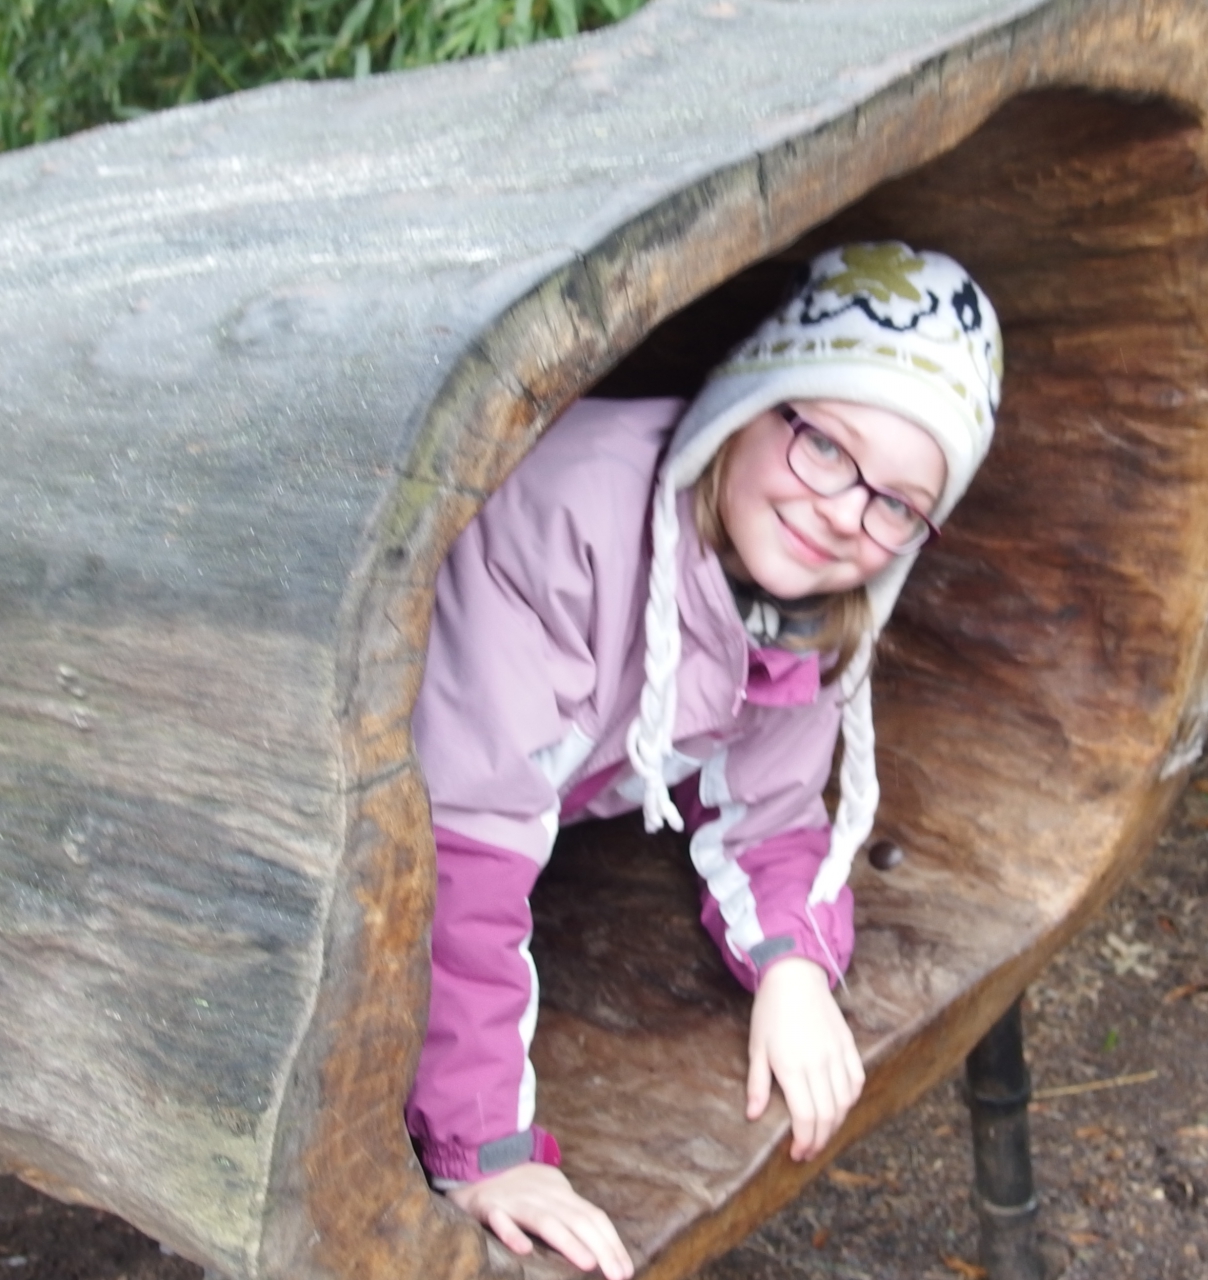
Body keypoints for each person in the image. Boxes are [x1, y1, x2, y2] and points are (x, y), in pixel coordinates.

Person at [406, 242, 1003, 1277]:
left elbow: (771, 815)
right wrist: (485, 1149)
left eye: (900, 504)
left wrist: (794, 964)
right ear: (750, 401)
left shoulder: (806, 609)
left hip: (543, 792)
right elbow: (458, 845)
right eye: (828, 444)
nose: (845, 511)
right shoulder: (567, 521)